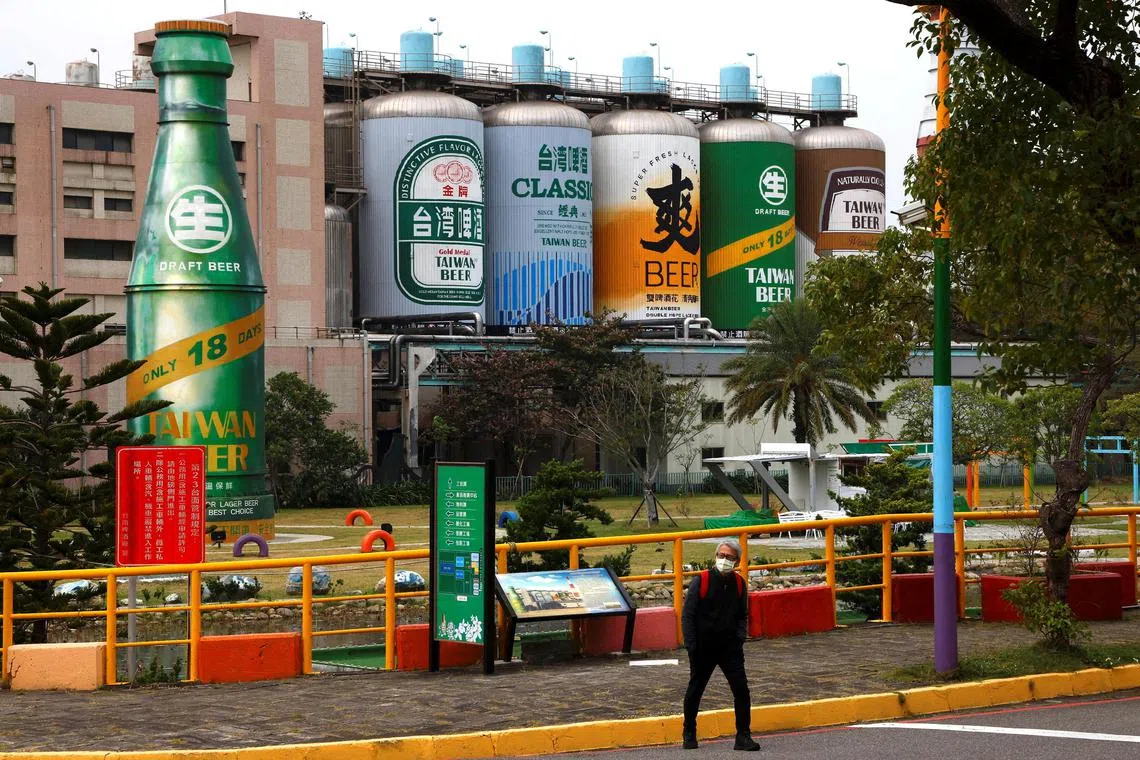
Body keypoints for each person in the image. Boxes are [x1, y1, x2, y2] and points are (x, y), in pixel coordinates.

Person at [680, 539, 760, 751]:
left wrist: (739, 637)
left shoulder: (740, 583)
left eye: (730, 557)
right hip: (702, 647)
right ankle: (689, 732)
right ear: (716, 556)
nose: (725, 560)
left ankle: (743, 736)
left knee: (741, 690)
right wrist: (691, 645)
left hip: (730, 648)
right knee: (696, 689)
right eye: (722, 556)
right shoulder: (702, 580)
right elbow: (688, 615)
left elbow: (743, 615)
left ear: (737, 561)